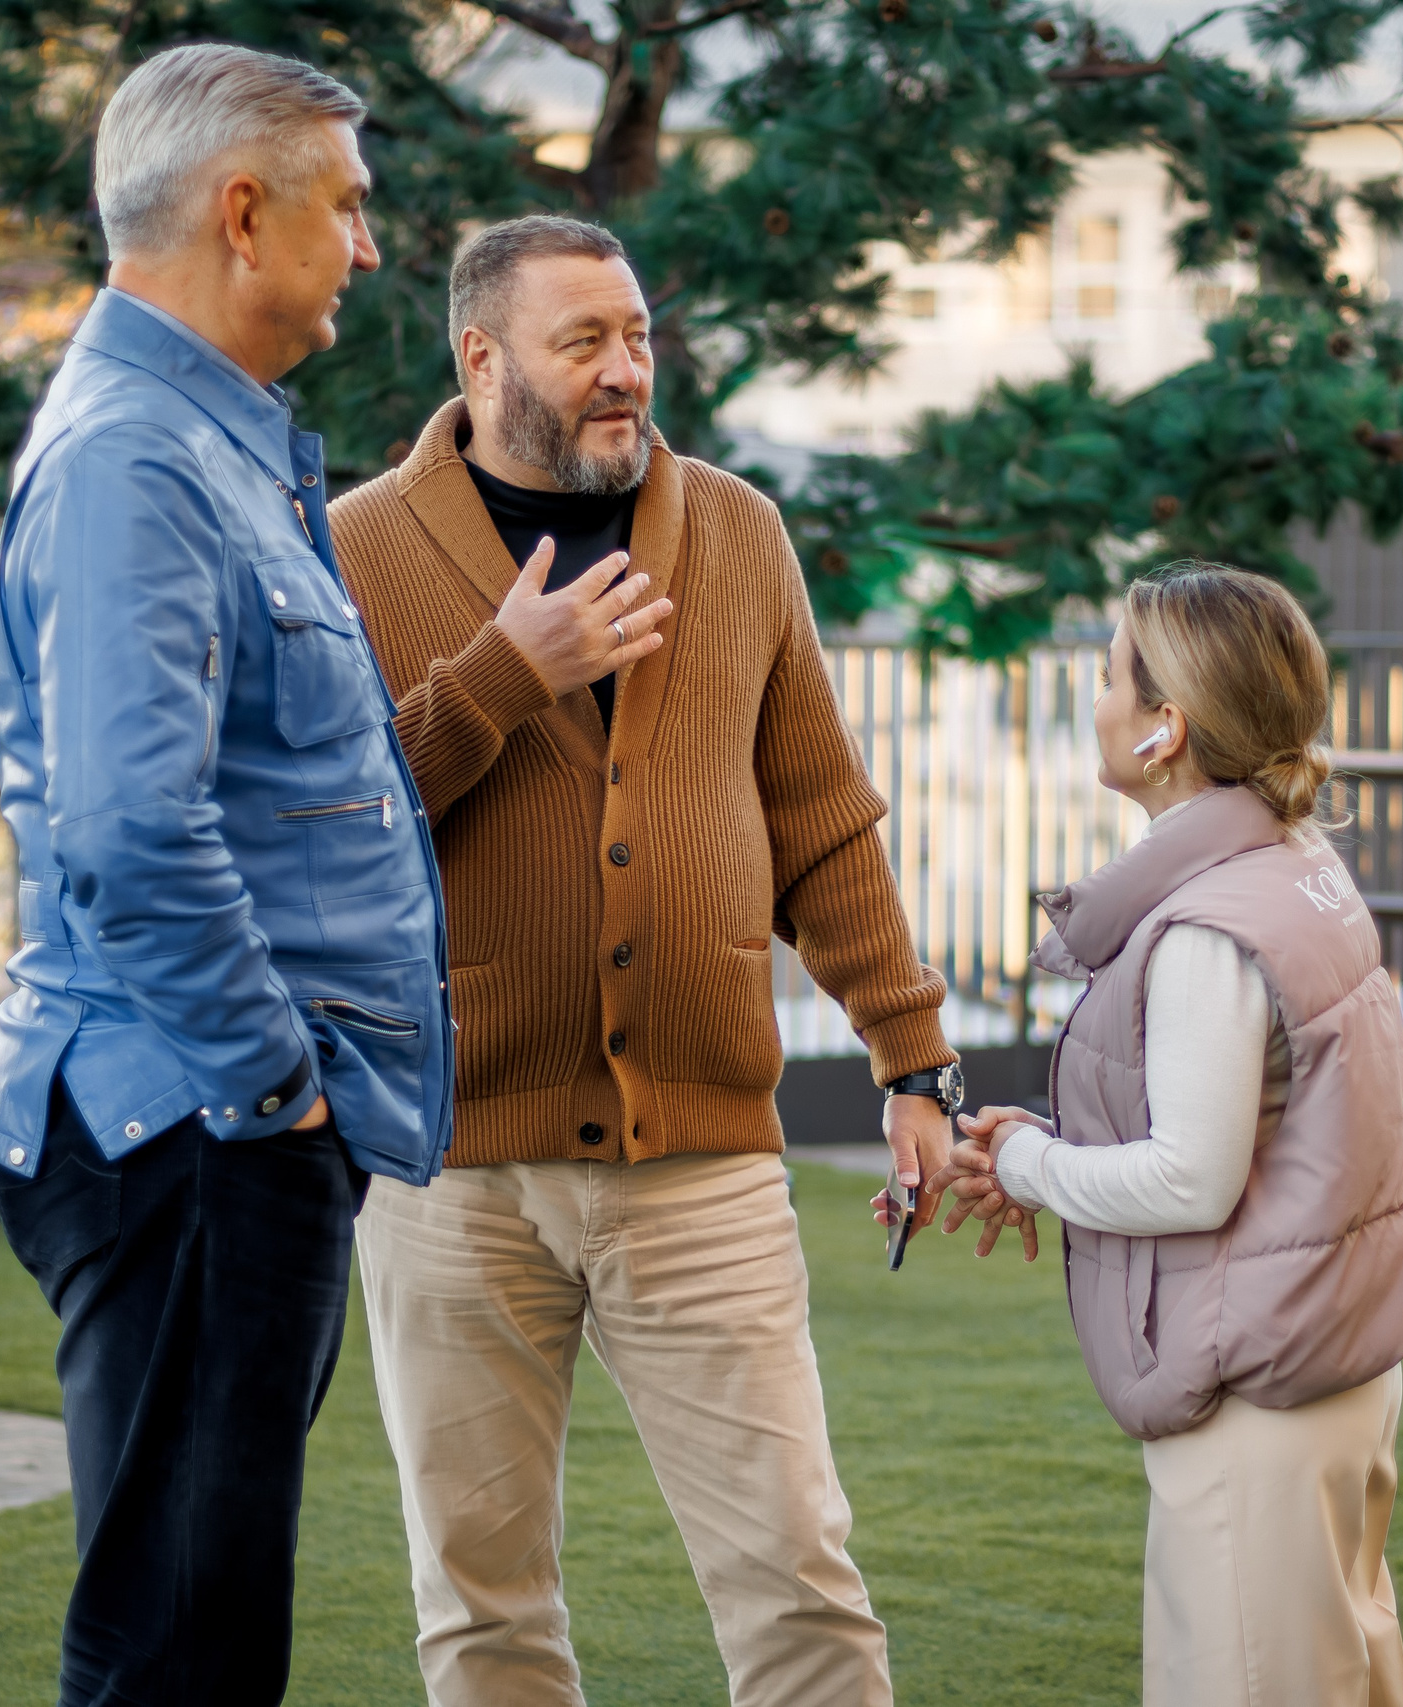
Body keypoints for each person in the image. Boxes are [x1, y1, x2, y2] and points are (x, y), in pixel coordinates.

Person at [326, 213, 961, 1707]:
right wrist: (499, 678)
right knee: (481, 1604)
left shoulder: (733, 529)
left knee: (801, 1575)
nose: (627, 372)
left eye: (638, 338)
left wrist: (913, 1051)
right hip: (449, 1164)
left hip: (701, 1162)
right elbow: (322, 831)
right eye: (584, 343)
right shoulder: (352, 545)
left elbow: (821, 818)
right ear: (481, 357)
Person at [0, 46, 452, 1706]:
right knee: (176, 1649)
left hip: (212, 1126)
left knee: (202, 1630)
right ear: (243, 215)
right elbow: (124, 832)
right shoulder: (138, 464)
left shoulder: (201, 443)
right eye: (348, 205)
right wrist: (277, 1096)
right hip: (195, 1128)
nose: (368, 248)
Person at [936, 565, 1403, 1707]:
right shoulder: (1294, 867)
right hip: (1334, 1357)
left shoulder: (1206, 925)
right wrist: (1049, 1145)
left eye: (1112, 673)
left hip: (1262, 1395)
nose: (1096, 694)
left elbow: (1192, 1176)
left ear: (1166, 726)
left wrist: (1023, 1163)